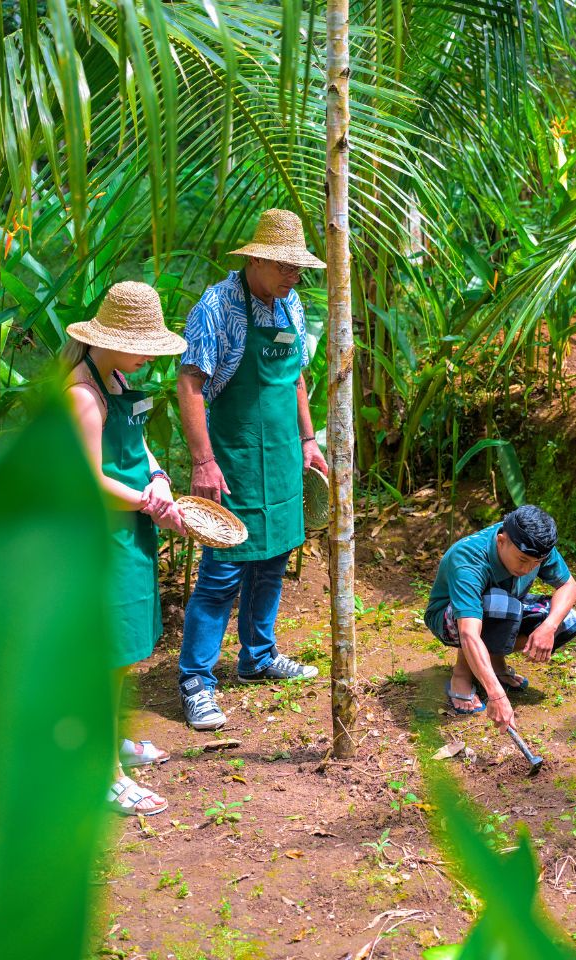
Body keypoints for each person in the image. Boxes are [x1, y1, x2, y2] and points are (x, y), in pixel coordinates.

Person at [176, 209, 329, 731]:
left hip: (285, 456)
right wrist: (204, 461)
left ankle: (257, 657)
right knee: (222, 572)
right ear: (258, 259)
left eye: (299, 268)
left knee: (273, 561)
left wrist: (308, 440)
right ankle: (196, 679)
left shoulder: (291, 303)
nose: (295, 276)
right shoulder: (217, 307)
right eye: (287, 266)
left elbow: (297, 379)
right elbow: (190, 383)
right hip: (234, 460)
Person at [63, 281, 189, 816]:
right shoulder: (82, 395)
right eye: (144, 345)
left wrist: (158, 476)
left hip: (132, 527)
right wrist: (145, 501)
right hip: (99, 540)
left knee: (124, 648)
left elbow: (137, 444)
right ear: (111, 340)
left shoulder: (116, 377)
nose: (149, 356)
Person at [425, 505, 576, 732]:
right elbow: (468, 632)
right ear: (501, 540)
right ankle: (461, 675)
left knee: (567, 620)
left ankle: (495, 664)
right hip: (449, 618)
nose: (528, 568)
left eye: (536, 563)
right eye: (522, 560)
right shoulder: (469, 558)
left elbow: (569, 586)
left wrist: (548, 626)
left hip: (503, 604)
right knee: (498, 604)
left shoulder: (537, 546)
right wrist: (496, 695)